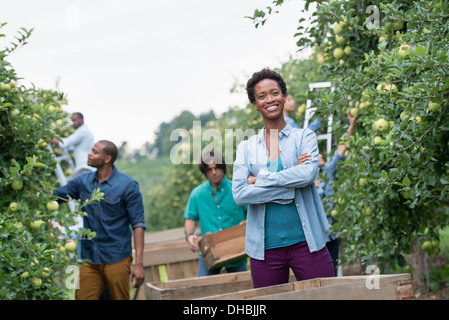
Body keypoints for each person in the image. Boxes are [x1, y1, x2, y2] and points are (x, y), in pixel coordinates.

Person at [232, 68, 334, 288]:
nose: (270, 99)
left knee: (327, 295)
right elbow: (239, 194)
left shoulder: (304, 137)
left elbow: (307, 174)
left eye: (275, 93)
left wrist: (260, 178)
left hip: (308, 244)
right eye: (262, 96)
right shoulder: (246, 148)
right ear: (255, 104)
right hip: (264, 251)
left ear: (284, 97)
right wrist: (290, 184)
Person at [52, 140, 146, 300]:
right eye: (90, 150)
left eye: (95, 152)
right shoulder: (83, 182)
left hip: (116, 258)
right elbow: (57, 196)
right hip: (89, 259)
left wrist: (138, 264)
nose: (89, 154)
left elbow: (138, 225)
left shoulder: (128, 185)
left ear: (107, 158)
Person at [184, 150, 247, 277]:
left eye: (217, 168)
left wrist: (246, 224)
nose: (214, 172)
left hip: (236, 250)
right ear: (205, 172)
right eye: (209, 169)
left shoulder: (237, 189)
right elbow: (190, 218)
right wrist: (189, 235)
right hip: (209, 253)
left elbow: (252, 214)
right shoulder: (197, 194)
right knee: (202, 290)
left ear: (223, 168)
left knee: (242, 288)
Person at [316, 108, 357, 276]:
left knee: (332, 272)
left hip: (331, 233)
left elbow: (341, 149)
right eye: (315, 154)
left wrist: (351, 125)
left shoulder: (327, 171)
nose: (320, 155)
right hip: (315, 237)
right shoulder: (303, 182)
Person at [51, 112, 95, 178]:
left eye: (74, 120)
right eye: (72, 121)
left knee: (72, 186)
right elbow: (70, 147)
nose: (73, 123)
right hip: (86, 167)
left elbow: (65, 143)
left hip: (85, 167)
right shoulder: (83, 131)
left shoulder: (82, 131)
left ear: (81, 119)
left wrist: (51, 139)